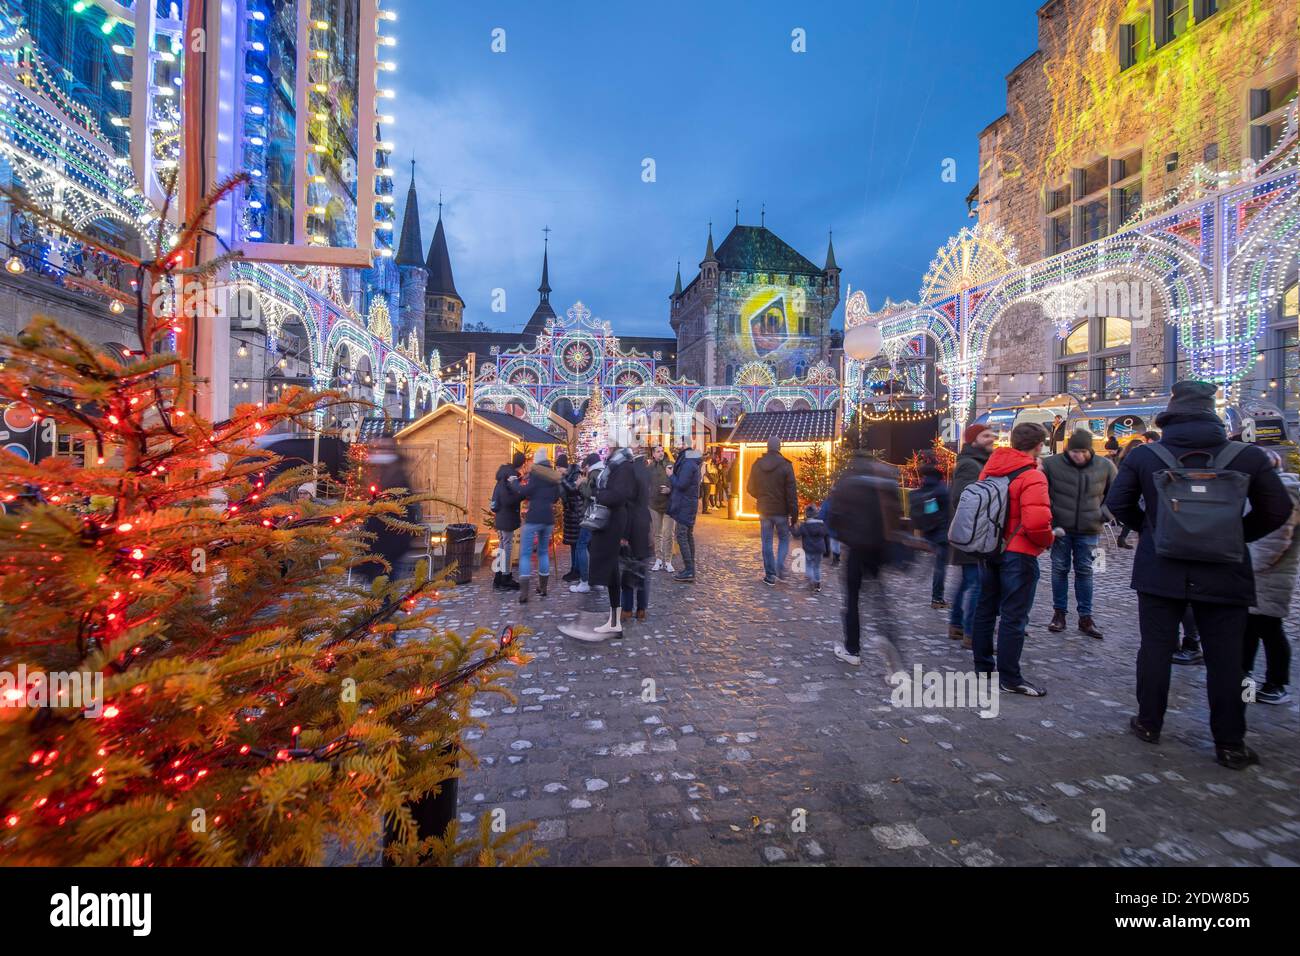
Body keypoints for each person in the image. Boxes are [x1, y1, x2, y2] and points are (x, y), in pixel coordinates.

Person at [1105, 380, 1292, 769]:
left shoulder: (1146, 456)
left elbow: (1117, 503)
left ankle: (1149, 722)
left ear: (1171, 413)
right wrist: (1236, 537)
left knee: (1156, 649)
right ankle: (1230, 742)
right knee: (1228, 660)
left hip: (1161, 569)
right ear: (1212, 412)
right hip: (1225, 570)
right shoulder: (1248, 457)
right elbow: (1277, 512)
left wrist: (1153, 531)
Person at [970, 421, 1054, 697]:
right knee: (1014, 617)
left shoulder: (991, 469)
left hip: (990, 548)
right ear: (1039, 445)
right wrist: (1048, 540)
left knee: (985, 609)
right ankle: (1010, 677)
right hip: (1019, 553)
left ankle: (983, 668)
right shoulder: (1032, 476)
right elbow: (1037, 521)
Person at [827, 450, 904, 667]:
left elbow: (833, 518)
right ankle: (889, 639)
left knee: (852, 601)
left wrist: (845, 537)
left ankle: (853, 649)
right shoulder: (884, 482)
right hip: (879, 552)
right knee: (880, 601)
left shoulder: (847, 483)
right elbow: (896, 516)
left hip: (855, 550)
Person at [1043, 429, 1116, 640]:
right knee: (1059, 569)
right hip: (1061, 528)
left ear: (1089, 450)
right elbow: (1043, 492)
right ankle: (1059, 614)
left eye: (1083, 451)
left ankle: (1086, 617)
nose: (1079, 456)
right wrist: (1049, 518)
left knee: (1085, 571)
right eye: (1075, 451)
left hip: (1089, 528)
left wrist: (1104, 514)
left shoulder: (1105, 466)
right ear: (1068, 449)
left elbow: (1119, 492)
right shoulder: (1051, 464)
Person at [1243, 450, 1299, 705]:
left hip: (1268, 578)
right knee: (1250, 630)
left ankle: (1276, 683)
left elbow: (1271, 544)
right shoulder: (1270, 491)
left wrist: (1243, 566)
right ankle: (1245, 681)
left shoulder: (1282, 493)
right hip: (1260, 578)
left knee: (1269, 629)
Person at [948, 425, 995, 647]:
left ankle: (956, 625)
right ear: (973, 440)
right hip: (973, 531)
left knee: (968, 581)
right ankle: (971, 632)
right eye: (985, 435)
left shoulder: (979, 461)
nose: (991, 438)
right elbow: (963, 498)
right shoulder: (970, 464)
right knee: (976, 583)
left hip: (972, 531)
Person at [590, 446, 640, 634]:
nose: (607, 448)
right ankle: (614, 621)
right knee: (611, 571)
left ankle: (614, 621)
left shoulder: (624, 467)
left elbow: (619, 495)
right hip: (611, 521)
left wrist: (598, 494)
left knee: (610, 568)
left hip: (614, 523)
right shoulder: (615, 465)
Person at [514, 448, 563, 605]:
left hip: (533, 517)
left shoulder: (535, 475)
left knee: (526, 555)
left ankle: (524, 593)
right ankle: (543, 587)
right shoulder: (552, 475)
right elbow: (556, 497)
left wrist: (515, 483)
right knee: (543, 553)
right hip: (547, 519)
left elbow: (525, 491)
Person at [747, 436, 798, 585]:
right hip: (781, 511)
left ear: (767, 447)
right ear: (779, 447)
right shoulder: (786, 466)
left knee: (767, 542)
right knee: (783, 539)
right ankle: (780, 566)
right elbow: (791, 494)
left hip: (764, 510)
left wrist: (761, 497)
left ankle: (770, 575)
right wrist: (794, 516)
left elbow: (750, 488)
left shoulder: (757, 464)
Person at [908, 456, 950, 608]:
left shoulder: (924, 488)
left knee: (937, 565)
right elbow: (943, 510)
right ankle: (937, 598)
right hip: (941, 533)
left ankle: (937, 597)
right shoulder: (941, 489)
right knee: (940, 566)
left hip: (930, 532)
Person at [620, 445, 653, 621]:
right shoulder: (646, 472)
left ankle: (627, 609)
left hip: (631, 526)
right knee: (642, 571)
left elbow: (628, 506)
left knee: (627, 570)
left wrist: (624, 535)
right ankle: (642, 609)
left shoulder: (630, 473)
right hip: (644, 523)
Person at [490, 451, 525, 592]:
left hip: (501, 516)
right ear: (522, 464)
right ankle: (505, 578)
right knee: (507, 546)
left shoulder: (503, 476)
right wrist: (521, 495)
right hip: (507, 517)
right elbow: (508, 499)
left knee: (502, 545)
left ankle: (498, 577)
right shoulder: (510, 478)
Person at [568, 454, 603, 594]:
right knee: (593, 547)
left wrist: (581, 483)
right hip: (601, 515)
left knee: (581, 545)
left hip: (591, 514)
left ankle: (584, 581)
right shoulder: (603, 472)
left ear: (588, 465)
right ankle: (597, 580)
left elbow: (590, 494)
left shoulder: (594, 474)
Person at [668, 444, 702, 582]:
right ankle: (690, 568)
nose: (676, 445)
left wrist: (671, 476)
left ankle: (689, 569)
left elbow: (681, 484)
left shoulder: (688, 463)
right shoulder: (690, 460)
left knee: (682, 535)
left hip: (685, 504)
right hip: (688, 503)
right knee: (687, 535)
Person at [1114, 436, 1150, 549]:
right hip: (1134, 489)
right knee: (1138, 513)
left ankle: (1123, 538)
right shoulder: (1129, 459)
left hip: (1133, 489)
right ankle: (1124, 538)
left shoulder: (1125, 457)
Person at [647, 445, 676, 573]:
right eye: (658, 451)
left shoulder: (670, 465)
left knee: (668, 534)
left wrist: (670, 490)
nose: (660, 453)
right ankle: (658, 559)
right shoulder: (650, 468)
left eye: (662, 451)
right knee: (657, 534)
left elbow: (677, 482)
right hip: (654, 504)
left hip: (669, 505)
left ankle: (668, 561)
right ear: (653, 454)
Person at [558, 453, 585, 583]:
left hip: (576, 515)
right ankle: (574, 569)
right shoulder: (568, 476)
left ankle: (578, 570)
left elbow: (573, 489)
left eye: (559, 468)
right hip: (571, 515)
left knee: (577, 544)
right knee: (573, 545)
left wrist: (561, 480)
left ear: (565, 467)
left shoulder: (574, 475)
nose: (558, 470)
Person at [793, 503, 830, 592]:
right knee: (817, 567)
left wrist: (792, 527)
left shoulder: (804, 525)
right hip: (819, 550)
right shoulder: (822, 525)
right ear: (816, 514)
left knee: (808, 566)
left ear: (806, 514)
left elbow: (796, 534)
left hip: (809, 550)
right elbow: (826, 534)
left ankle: (812, 579)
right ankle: (817, 584)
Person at [819, 497, 841, 567]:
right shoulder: (841, 502)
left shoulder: (827, 502)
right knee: (837, 542)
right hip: (839, 526)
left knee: (833, 542)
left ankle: (835, 558)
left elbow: (822, 515)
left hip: (830, 526)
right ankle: (837, 556)